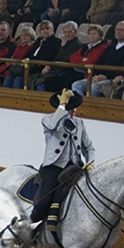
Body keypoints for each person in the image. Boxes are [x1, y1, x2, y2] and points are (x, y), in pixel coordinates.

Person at [30, 89, 96, 224]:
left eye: (74, 108)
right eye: (70, 108)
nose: (74, 111)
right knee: (45, 200)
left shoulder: (80, 123)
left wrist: (90, 162)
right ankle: (30, 225)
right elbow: (53, 127)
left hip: (75, 166)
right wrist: (62, 105)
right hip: (54, 166)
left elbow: (88, 147)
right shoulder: (48, 119)